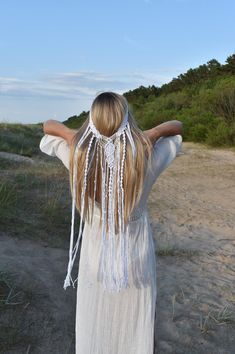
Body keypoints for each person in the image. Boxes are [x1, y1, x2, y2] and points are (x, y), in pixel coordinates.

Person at [39, 91, 183, 354]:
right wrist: (149, 135)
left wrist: (74, 136)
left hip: (96, 258)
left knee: (95, 320)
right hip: (137, 259)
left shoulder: (78, 157)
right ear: (128, 120)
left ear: (91, 120)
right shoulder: (145, 156)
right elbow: (176, 129)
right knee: (134, 323)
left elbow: (48, 127)